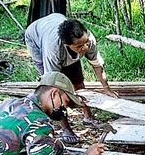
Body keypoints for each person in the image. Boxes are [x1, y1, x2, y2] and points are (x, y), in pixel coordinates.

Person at [25, 13, 118, 144]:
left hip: (55, 22)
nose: (85, 48)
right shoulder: (53, 49)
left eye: (86, 43)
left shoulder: (88, 39)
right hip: (35, 36)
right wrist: (67, 96)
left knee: (78, 82)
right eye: (79, 46)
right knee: (56, 96)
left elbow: (97, 64)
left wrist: (106, 88)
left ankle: (88, 116)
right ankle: (66, 128)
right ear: (66, 44)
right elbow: (52, 85)